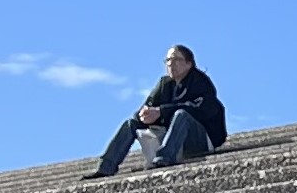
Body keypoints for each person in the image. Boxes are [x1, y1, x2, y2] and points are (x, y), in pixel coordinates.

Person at [92, 47, 227, 174]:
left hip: (200, 140)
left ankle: (163, 158)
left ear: (188, 64)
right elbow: (148, 107)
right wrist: (143, 115)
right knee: (131, 123)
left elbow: (201, 109)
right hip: (174, 140)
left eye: (176, 59)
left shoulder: (201, 82)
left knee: (182, 115)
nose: (171, 64)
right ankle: (106, 167)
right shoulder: (164, 84)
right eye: (168, 60)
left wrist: (162, 112)